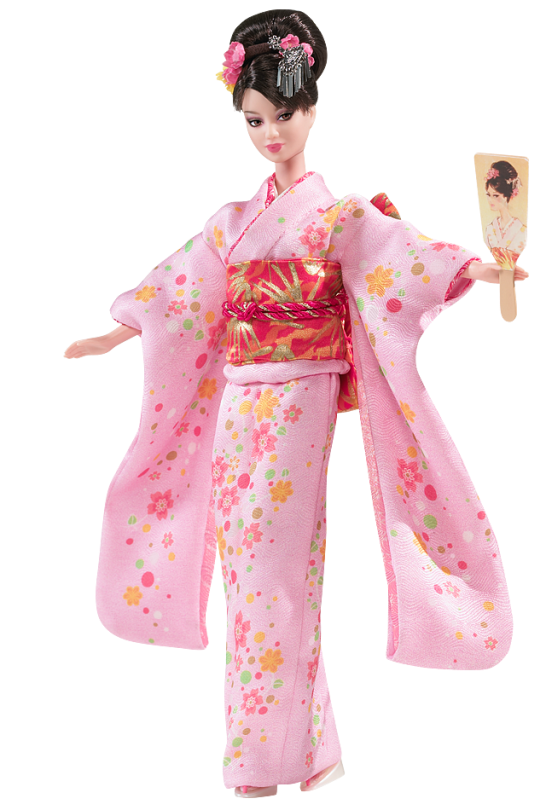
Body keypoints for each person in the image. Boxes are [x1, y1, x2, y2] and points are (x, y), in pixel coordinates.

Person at [65, 9, 524, 799]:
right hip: (238, 409)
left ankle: (256, 758)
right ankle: (309, 754)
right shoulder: (231, 225)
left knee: (279, 567)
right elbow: (179, 290)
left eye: (284, 114)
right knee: (250, 572)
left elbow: (404, 256)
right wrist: (122, 327)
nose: (271, 133)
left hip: (299, 405)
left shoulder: (341, 217)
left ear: (311, 108)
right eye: (254, 120)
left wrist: (478, 270)